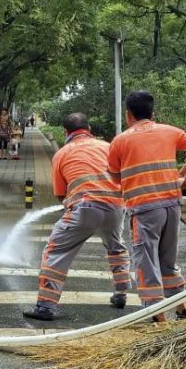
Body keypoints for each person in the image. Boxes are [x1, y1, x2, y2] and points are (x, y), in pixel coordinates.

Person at [23, 113, 131, 320]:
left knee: (55, 251)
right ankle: (121, 293)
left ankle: (46, 306)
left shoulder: (62, 154)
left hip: (85, 208)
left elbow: (60, 194)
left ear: (65, 132)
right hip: (116, 206)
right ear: (89, 128)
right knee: (116, 247)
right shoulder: (108, 147)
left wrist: (69, 203)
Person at [107, 91, 186, 322]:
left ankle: (157, 317)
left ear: (128, 115)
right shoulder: (169, 131)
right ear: (152, 113)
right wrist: (183, 172)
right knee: (167, 261)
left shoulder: (121, 141)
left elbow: (114, 176)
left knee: (146, 261)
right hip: (172, 204)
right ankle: (182, 309)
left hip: (145, 209)